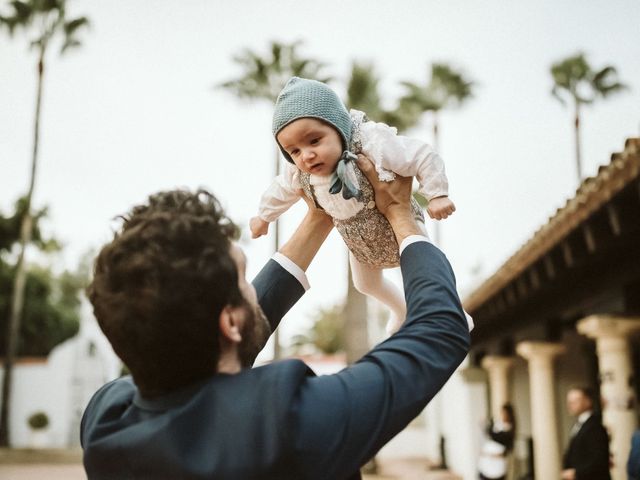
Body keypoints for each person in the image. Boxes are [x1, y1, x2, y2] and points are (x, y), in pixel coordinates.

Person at [80, 157, 471, 480]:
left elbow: (209, 346)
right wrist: (402, 214)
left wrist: (322, 214)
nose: (253, 288)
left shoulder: (106, 417)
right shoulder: (291, 423)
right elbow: (440, 329)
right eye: (243, 279)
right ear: (229, 323)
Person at [250, 76, 458, 334]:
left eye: (314, 141)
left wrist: (437, 194)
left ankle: (454, 310)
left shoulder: (370, 141)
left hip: (393, 223)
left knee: (422, 268)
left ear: (338, 128)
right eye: (294, 151)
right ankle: (401, 309)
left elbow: (421, 154)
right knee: (366, 285)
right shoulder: (298, 172)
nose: (306, 155)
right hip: (355, 237)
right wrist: (264, 216)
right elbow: (280, 189)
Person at [562, 386, 611, 480]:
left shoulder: (595, 426)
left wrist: (576, 473)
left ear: (588, 402)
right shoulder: (578, 425)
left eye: (575, 401)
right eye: (569, 402)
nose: (570, 405)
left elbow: (599, 459)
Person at [477, 403, 516, 480]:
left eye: (505, 413)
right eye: (502, 412)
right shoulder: (497, 424)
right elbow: (489, 433)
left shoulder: (509, 430)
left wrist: (497, 455)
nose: (503, 415)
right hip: (487, 461)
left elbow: (509, 447)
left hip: (497, 463)